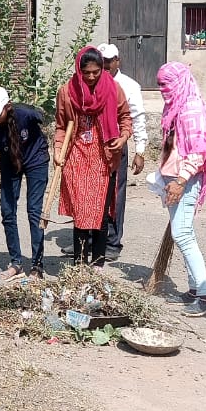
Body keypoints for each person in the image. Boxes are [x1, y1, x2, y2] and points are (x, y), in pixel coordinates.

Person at [54, 47, 131, 268]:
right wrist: (58, 151)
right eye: (86, 72)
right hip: (77, 155)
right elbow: (61, 126)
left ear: (102, 69)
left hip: (104, 156)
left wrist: (123, 137)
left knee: (101, 211)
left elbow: (125, 118)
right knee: (81, 210)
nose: (90, 77)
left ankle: (97, 264)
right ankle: (79, 264)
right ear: (79, 69)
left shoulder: (113, 89)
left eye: (95, 72)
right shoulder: (67, 92)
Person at [0, 86, 51, 279]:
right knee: (7, 212)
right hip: (9, 161)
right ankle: (16, 263)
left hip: (36, 160)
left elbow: (44, 117)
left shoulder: (26, 115)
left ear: (8, 107)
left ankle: (37, 265)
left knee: (34, 212)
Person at [155, 62, 206, 315]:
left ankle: (205, 297)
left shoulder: (191, 111)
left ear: (179, 82)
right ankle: (193, 289)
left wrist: (180, 182)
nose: (163, 89)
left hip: (186, 180)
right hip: (174, 178)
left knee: (182, 235)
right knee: (185, 233)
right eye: (160, 85)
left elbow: (198, 154)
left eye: (166, 84)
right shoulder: (175, 105)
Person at [99, 44, 148, 256]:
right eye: (103, 61)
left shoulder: (129, 86)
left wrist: (140, 150)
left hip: (118, 144)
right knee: (92, 192)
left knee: (115, 194)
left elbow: (137, 118)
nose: (106, 65)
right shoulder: (92, 82)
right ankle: (89, 239)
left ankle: (112, 242)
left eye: (110, 61)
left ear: (117, 60)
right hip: (94, 146)